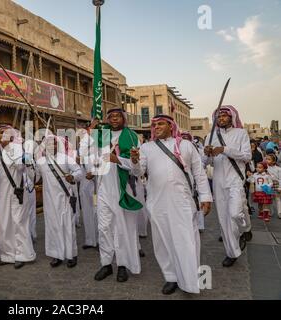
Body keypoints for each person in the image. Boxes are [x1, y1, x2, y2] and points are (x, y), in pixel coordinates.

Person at [128, 115, 212, 295]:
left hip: (182, 201)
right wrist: (134, 160)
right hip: (156, 202)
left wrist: (205, 196)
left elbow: (199, 173)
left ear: (170, 125)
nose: (156, 127)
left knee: (187, 240)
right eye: (154, 124)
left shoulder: (185, 145)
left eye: (160, 124)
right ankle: (171, 276)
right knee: (162, 241)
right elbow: (138, 172)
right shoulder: (146, 148)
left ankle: (190, 280)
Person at [81, 109, 143, 283]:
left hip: (122, 188)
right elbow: (89, 156)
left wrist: (120, 160)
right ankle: (106, 264)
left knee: (121, 229)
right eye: (111, 117)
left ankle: (122, 265)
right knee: (104, 227)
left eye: (118, 116)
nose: (114, 119)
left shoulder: (132, 137)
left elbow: (137, 169)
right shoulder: (101, 135)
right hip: (103, 188)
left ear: (124, 118)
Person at [204, 105, 252, 268]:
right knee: (224, 219)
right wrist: (207, 154)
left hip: (235, 180)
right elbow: (206, 163)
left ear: (232, 117)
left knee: (235, 213)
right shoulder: (210, 136)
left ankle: (245, 229)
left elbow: (246, 156)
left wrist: (224, 149)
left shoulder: (241, 133)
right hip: (218, 181)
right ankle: (232, 252)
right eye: (218, 116)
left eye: (225, 115)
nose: (221, 118)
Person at [0, 125, 36, 269]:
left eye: (5, 132)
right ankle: (7, 255)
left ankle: (22, 255)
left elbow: (24, 167)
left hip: (17, 192)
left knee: (19, 223)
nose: (2, 134)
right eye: (0, 132)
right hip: (2, 194)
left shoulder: (18, 149)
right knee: (4, 224)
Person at [31, 135, 82, 268]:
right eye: (47, 143)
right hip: (49, 201)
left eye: (53, 143)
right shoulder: (41, 161)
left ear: (57, 144)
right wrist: (27, 166)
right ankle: (57, 255)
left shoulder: (65, 158)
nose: (51, 146)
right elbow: (34, 178)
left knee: (67, 226)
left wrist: (73, 177)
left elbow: (79, 171)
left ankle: (71, 255)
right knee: (53, 227)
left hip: (65, 199)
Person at [266, 154, 281, 219]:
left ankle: (279, 212)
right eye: (266, 159)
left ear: (274, 161)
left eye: (269, 159)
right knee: (270, 199)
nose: (267, 160)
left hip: (276, 185)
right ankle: (270, 212)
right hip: (268, 185)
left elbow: (280, 178)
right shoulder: (265, 168)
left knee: (278, 199)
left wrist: (280, 187)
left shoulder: (279, 169)